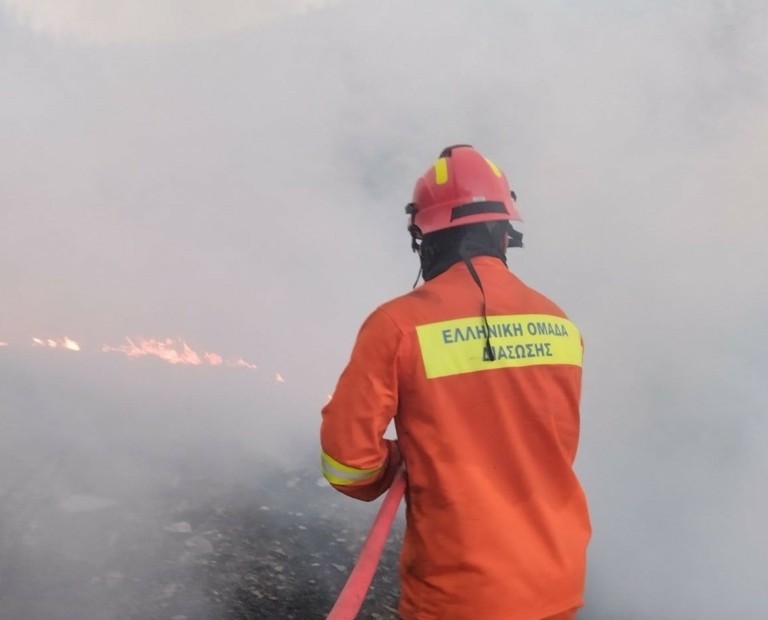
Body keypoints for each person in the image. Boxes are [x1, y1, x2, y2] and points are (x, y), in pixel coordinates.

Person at [320, 145, 591, 620]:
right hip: (556, 583)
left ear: (423, 236)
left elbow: (347, 462)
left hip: (460, 596)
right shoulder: (558, 322)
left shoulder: (397, 325)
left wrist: (400, 461)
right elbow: (542, 442)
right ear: (506, 234)